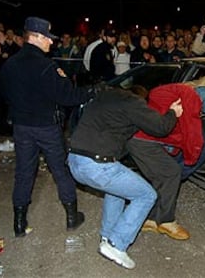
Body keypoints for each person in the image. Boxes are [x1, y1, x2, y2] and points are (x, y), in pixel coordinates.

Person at [67, 84, 183, 269]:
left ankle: (108, 235)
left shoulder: (104, 97)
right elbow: (160, 127)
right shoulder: (133, 102)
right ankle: (116, 244)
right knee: (146, 195)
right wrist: (172, 113)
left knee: (118, 189)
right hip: (97, 166)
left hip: (75, 160)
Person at [0, 16, 96, 237]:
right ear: (35, 37)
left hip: (22, 127)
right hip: (46, 126)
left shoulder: (10, 64)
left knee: (24, 172)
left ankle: (19, 223)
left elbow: (4, 96)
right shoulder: (46, 66)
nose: (51, 42)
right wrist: (90, 93)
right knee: (61, 169)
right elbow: (67, 96)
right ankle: (72, 217)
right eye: (48, 38)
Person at [126, 83, 205, 240]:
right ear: (201, 106)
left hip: (136, 137)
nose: (200, 116)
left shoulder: (176, 93)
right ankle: (166, 222)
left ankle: (150, 219)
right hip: (144, 142)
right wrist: (190, 160)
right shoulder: (191, 102)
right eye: (202, 114)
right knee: (172, 174)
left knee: (161, 178)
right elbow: (193, 138)